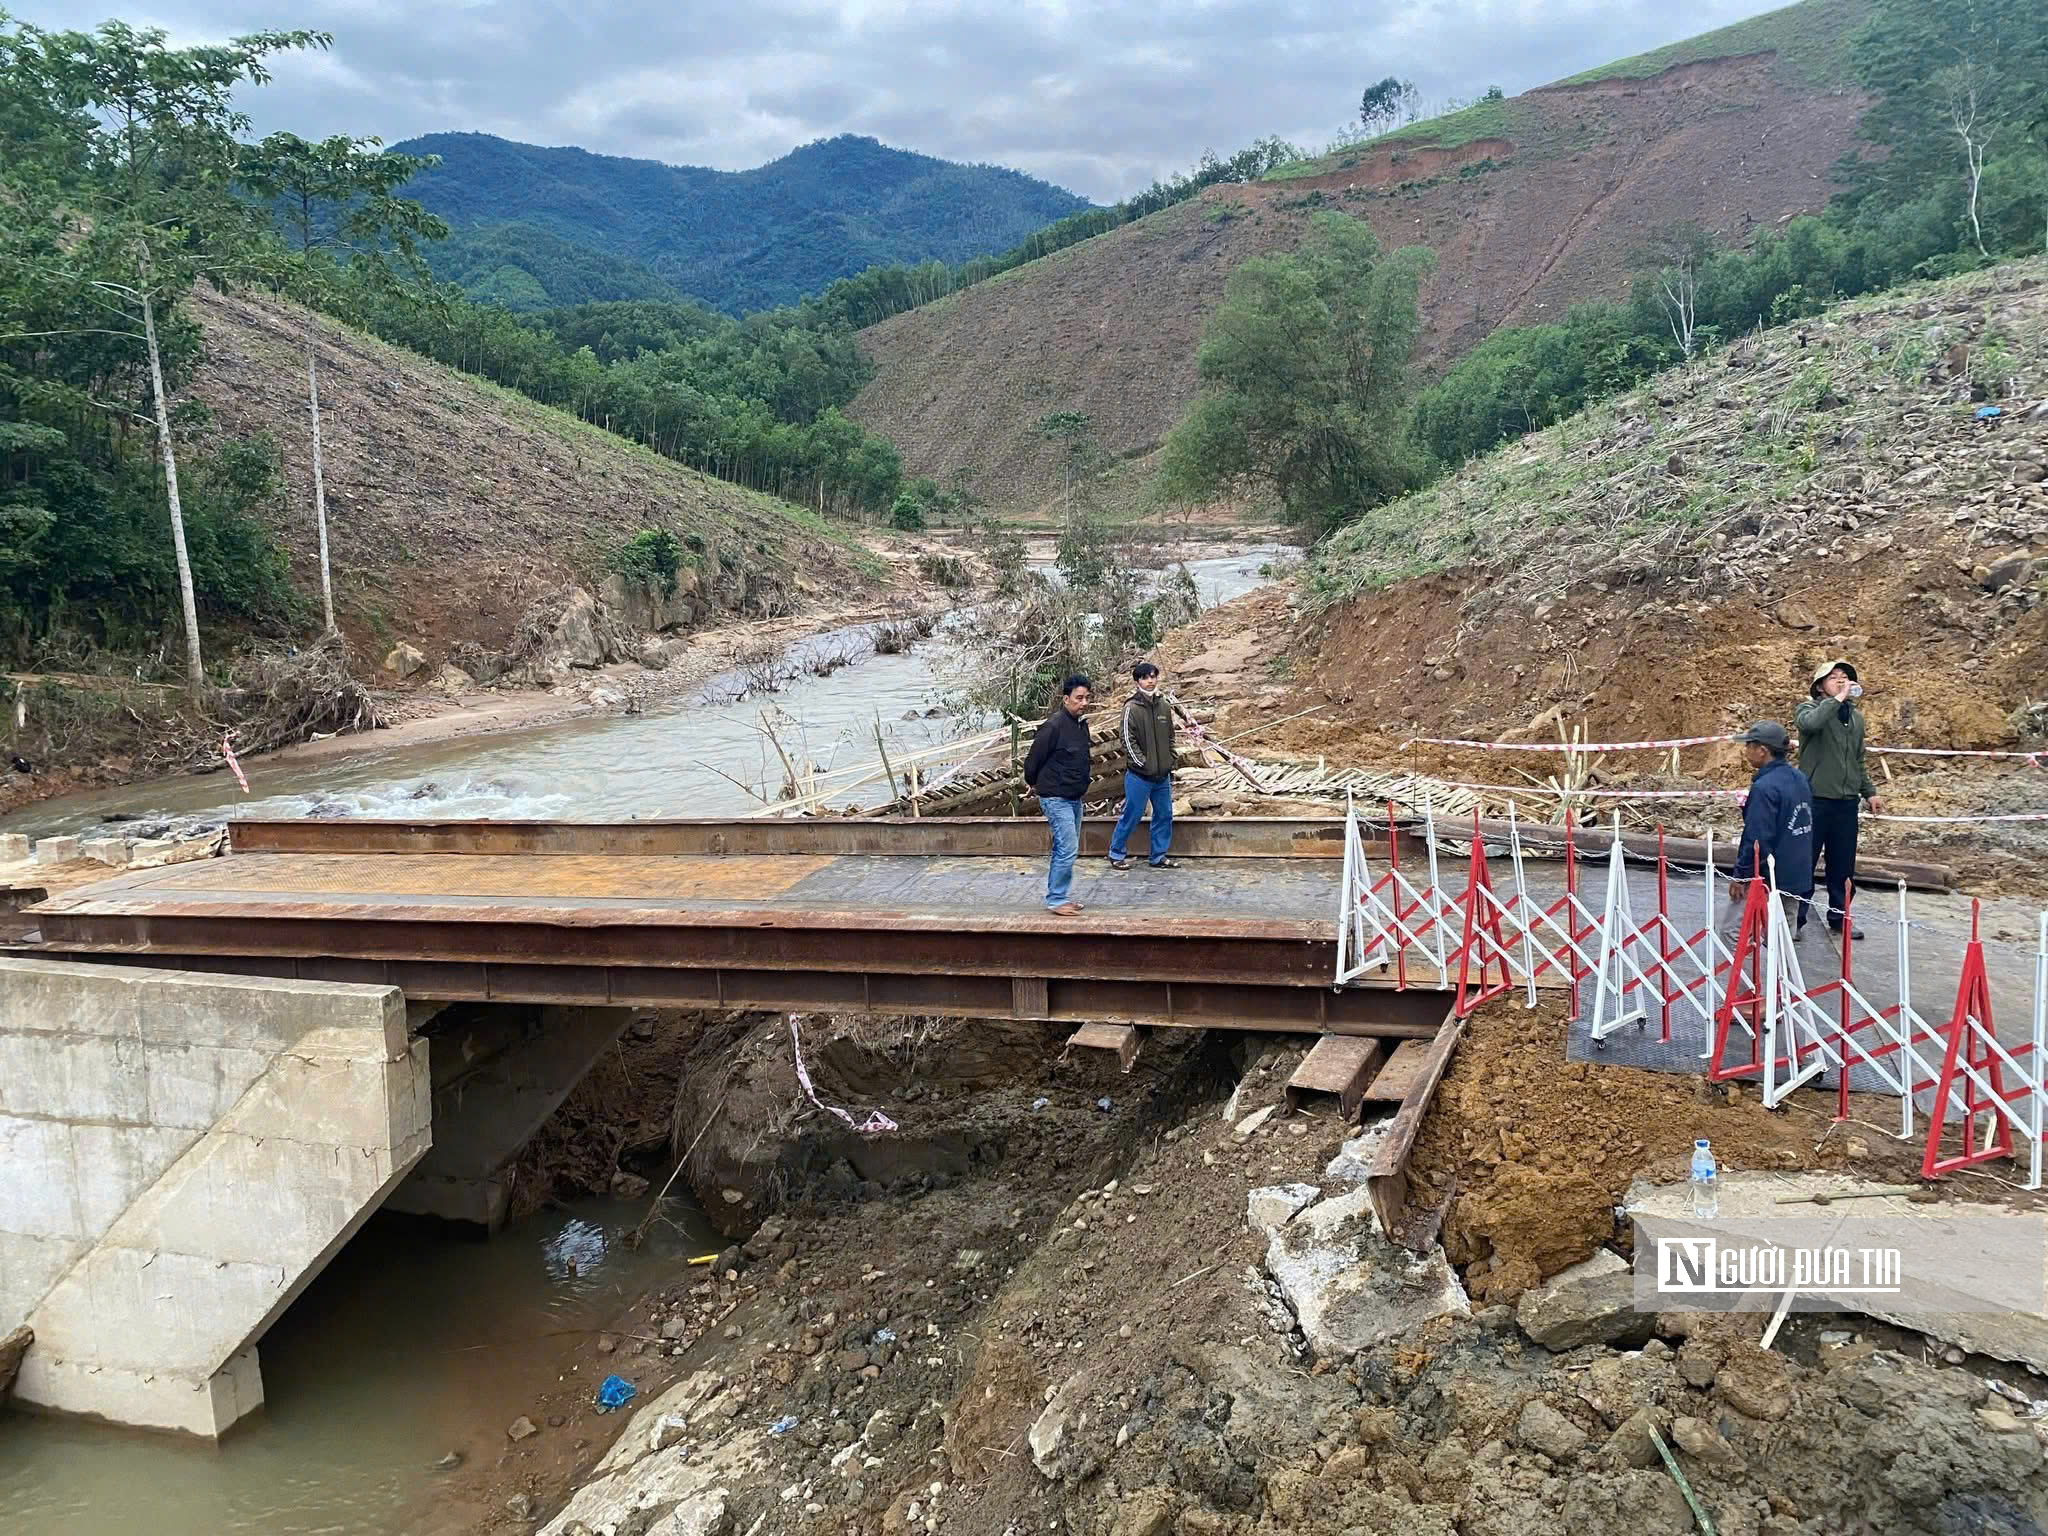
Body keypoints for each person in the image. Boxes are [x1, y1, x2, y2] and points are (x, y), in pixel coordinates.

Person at [1796, 659, 1884, 941]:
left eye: (1845, 677)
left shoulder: (1855, 719)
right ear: (1820, 686)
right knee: (1803, 861)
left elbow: (1858, 760)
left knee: (1843, 865)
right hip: (1815, 799)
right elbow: (1811, 724)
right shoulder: (1809, 709)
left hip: (1845, 802)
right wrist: (1836, 700)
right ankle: (1795, 919)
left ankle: (1840, 916)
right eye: (1834, 677)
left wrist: (1869, 792)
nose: (1842, 681)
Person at [1727, 720, 1816, 936]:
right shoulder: (1800, 779)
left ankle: (1747, 972)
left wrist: (1742, 876)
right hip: (1797, 874)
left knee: (1733, 933)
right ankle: (1778, 971)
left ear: (1762, 751)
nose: (1746, 750)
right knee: (1782, 937)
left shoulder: (1765, 787)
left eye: (1749, 745)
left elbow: (1757, 837)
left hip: (1770, 877)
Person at [1022, 674, 1094, 915]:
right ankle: (1056, 899)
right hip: (1055, 797)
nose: (1083, 703)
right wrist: (1032, 782)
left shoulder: (1081, 726)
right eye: (1078, 698)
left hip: (1074, 797)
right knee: (1067, 847)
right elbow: (1033, 760)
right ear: (1066, 699)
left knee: (1066, 848)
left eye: (1086, 698)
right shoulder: (1053, 727)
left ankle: (1061, 895)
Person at [1107, 661, 1180, 871]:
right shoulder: (1131, 707)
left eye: (1153, 676)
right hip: (1139, 775)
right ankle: (1116, 853)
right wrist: (1143, 764)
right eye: (1145, 677)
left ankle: (1158, 856)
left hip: (1162, 775)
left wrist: (1171, 760)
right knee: (1133, 813)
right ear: (1138, 681)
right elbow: (1127, 740)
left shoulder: (1164, 705)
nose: (1150, 681)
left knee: (1164, 814)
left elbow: (1170, 737)